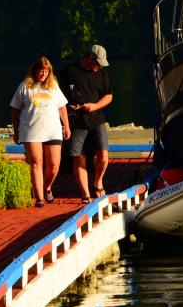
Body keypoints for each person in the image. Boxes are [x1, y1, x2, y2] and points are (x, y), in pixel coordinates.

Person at [9, 56, 71, 207]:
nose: (42, 74)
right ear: (34, 71)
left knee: (54, 164)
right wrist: (16, 131)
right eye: (40, 71)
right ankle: (39, 198)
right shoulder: (25, 87)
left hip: (53, 129)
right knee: (36, 162)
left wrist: (67, 126)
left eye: (45, 71)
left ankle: (47, 187)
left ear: (49, 72)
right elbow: (15, 109)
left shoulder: (53, 86)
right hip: (31, 130)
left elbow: (62, 106)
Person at [59, 44, 113, 204]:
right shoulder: (69, 71)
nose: (99, 66)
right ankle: (85, 194)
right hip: (76, 120)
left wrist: (94, 106)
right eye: (98, 63)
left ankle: (98, 181)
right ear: (89, 58)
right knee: (78, 156)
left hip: (97, 118)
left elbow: (109, 96)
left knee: (103, 155)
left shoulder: (102, 73)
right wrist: (70, 106)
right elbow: (60, 95)